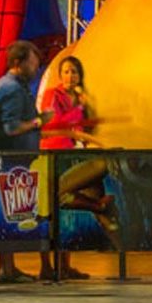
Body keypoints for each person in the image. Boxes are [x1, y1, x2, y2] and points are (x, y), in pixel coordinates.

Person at [39, 55, 106, 280]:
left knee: (66, 208)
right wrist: (79, 112)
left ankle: (65, 264)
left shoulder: (79, 98)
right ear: (60, 74)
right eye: (66, 71)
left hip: (72, 154)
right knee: (49, 208)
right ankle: (47, 266)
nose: (70, 76)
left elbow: (82, 126)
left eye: (74, 72)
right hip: (53, 154)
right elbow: (55, 125)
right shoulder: (53, 95)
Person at [0, 40, 51, 283]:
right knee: (10, 213)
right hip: (12, 161)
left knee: (12, 212)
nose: (36, 68)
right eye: (33, 63)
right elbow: (11, 127)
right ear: (18, 63)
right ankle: (7, 269)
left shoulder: (16, 86)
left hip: (19, 160)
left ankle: (8, 267)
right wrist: (39, 122)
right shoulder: (12, 88)